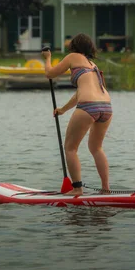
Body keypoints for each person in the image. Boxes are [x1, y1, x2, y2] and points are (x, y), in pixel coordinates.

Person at [42, 33, 112, 196]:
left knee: (70, 148)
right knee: (96, 148)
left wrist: (47, 57)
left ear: (74, 46)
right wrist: (63, 109)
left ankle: (77, 189)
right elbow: (82, 93)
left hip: (88, 106)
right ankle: (106, 188)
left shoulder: (73, 57)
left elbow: (50, 74)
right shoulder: (93, 65)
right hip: (106, 107)